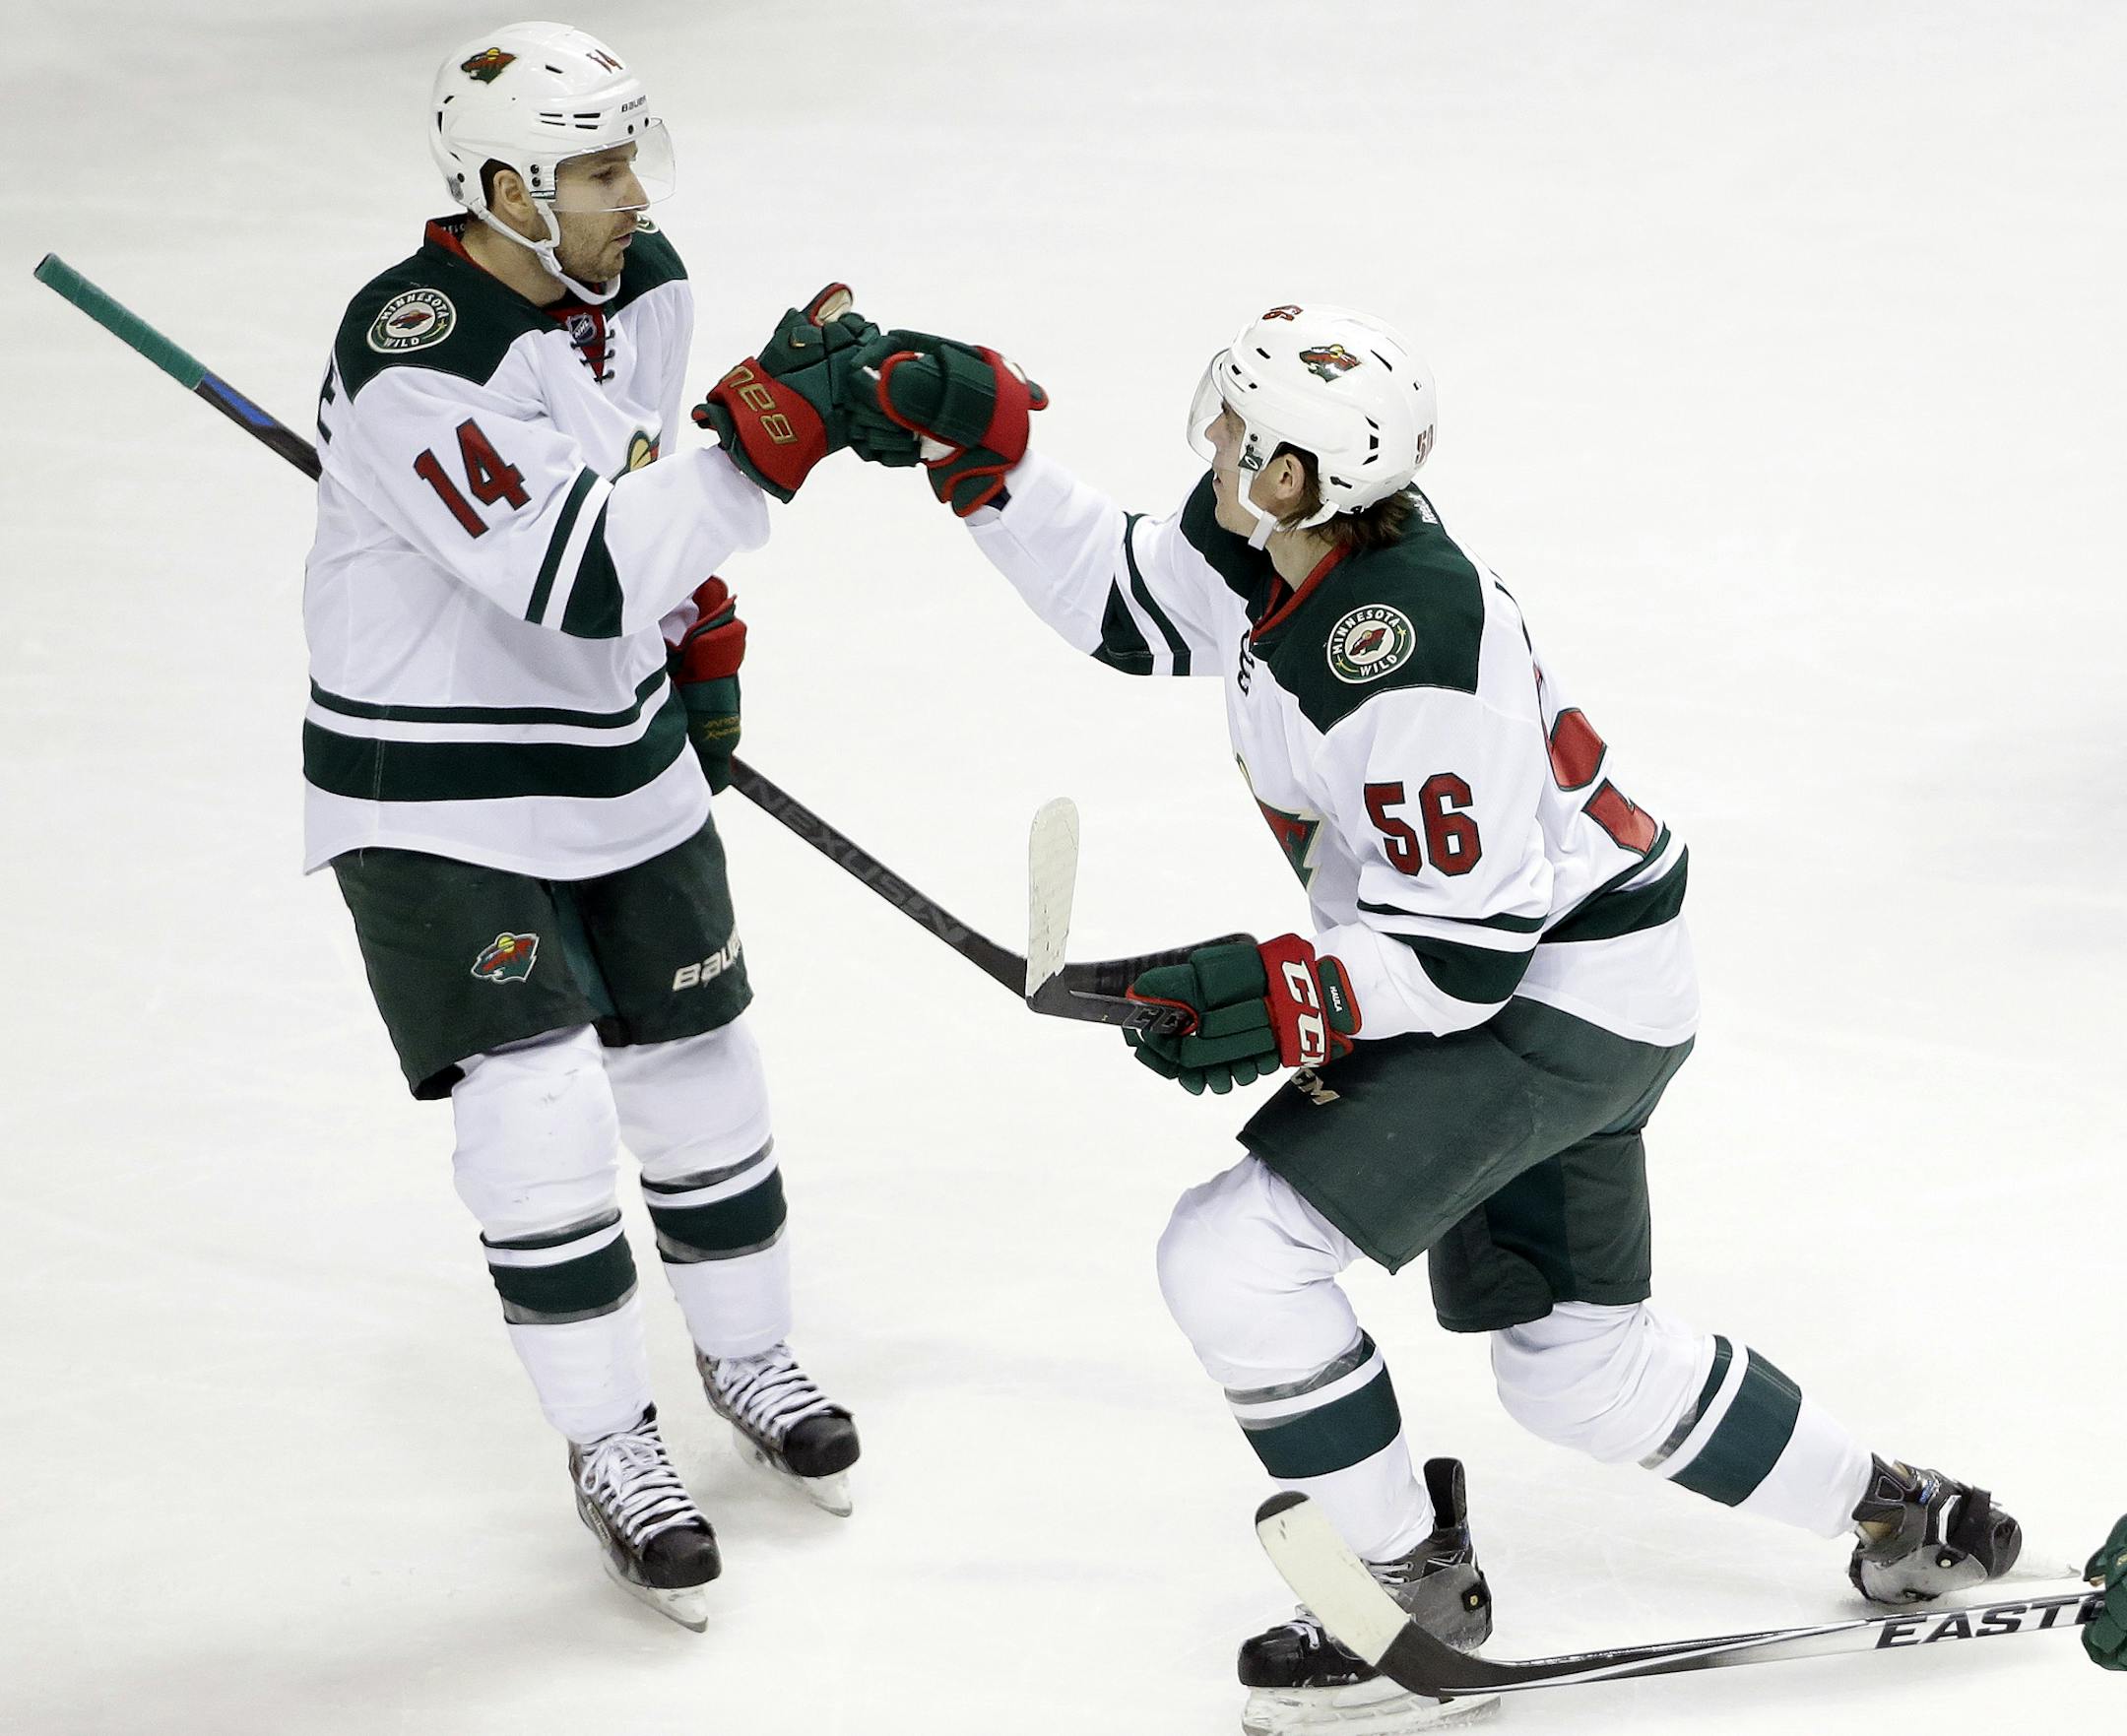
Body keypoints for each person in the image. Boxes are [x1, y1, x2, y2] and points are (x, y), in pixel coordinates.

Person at [847, 308, 2026, 1730]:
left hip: (1552, 1000)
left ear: (1291, 475)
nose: (1212, 441)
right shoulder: (1299, 546)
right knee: (1576, 1370)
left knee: (1232, 1259)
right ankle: (1902, 1512)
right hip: (1595, 978)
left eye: (1235, 430)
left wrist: (1275, 993)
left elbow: (1463, 959)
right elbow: (1129, 601)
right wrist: (982, 462)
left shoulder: (1400, 653)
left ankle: (1402, 1585)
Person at [304, 22, 908, 1630]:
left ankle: (751, 1359)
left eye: (635, 158)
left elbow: (632, 496)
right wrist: (760, 445)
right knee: (540, 1106)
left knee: (700, 1061)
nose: (634, 195)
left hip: (611, 738)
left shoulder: (644, 285)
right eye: (597, 169)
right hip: (435, 781)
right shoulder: (417, 350)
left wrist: (696, 630)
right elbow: (571, 572)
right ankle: (611, 1442)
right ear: (508, 190)